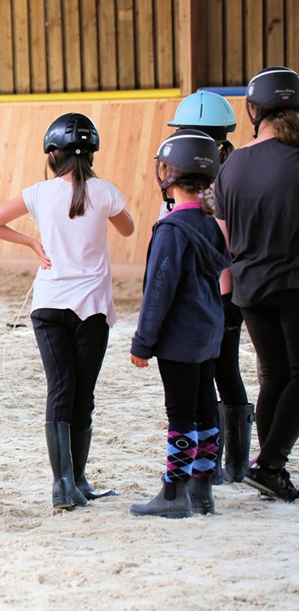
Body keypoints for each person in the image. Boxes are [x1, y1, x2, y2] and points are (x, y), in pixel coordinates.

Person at [0, 113, 134, 510]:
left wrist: (32, 242)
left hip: (49, 306)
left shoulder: (38, 192)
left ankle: (63, 483)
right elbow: (129, 229)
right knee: (84, 394)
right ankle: (77, 479)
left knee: (60, 389)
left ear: (52, 154)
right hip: (93, 309)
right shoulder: (105, 191)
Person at [130, 129, 229, 518]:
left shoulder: (172, 229)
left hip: (179, 338)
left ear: (170, 175)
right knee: (206, 408)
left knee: (181, 413)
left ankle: (174, 492)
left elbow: (159, 290)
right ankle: (203, 491)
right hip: (209, 331)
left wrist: (143, 341)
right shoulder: (210, 224)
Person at [215, 66, 299, 503]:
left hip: (249, 285)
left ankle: (273, 471)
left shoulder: (232, 166)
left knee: (275, 373)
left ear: (254, 111)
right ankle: (269, 463)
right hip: (293, 280)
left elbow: (224, 235)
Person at [167, 90, 253, 484]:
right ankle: (222, 462)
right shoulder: (217, 174)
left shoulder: (224, 178)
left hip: (219, 290)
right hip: (210, 290)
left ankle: (227, 462)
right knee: (215, 373)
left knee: (220, 371)